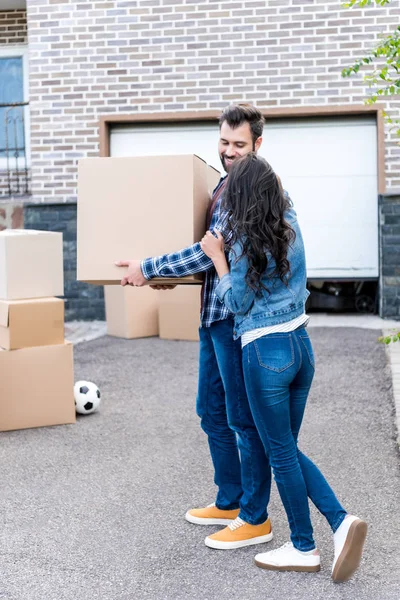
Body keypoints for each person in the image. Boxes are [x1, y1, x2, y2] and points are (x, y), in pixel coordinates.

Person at [200, 153, 367, 582]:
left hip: (265, 353)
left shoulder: (239, 240)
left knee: (281, 452)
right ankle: (314, 537)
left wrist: (217, 257)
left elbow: (238, 304)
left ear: (239, 197)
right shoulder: (289, 226)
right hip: (301, 346)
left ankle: (321, 533)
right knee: (285, 450)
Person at [116, 105, 274, 550]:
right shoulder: (223, 184)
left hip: (235, 320)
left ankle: (255, 517)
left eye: (238, 145)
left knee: (242, 419)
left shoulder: (249, 189)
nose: (228, 152)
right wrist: (171, 278)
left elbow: (210, 253)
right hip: (211, 317)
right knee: (211, 412)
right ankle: (229, 500)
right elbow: (209, 256)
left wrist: (149, 267)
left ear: (257, 144)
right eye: (223, 142)